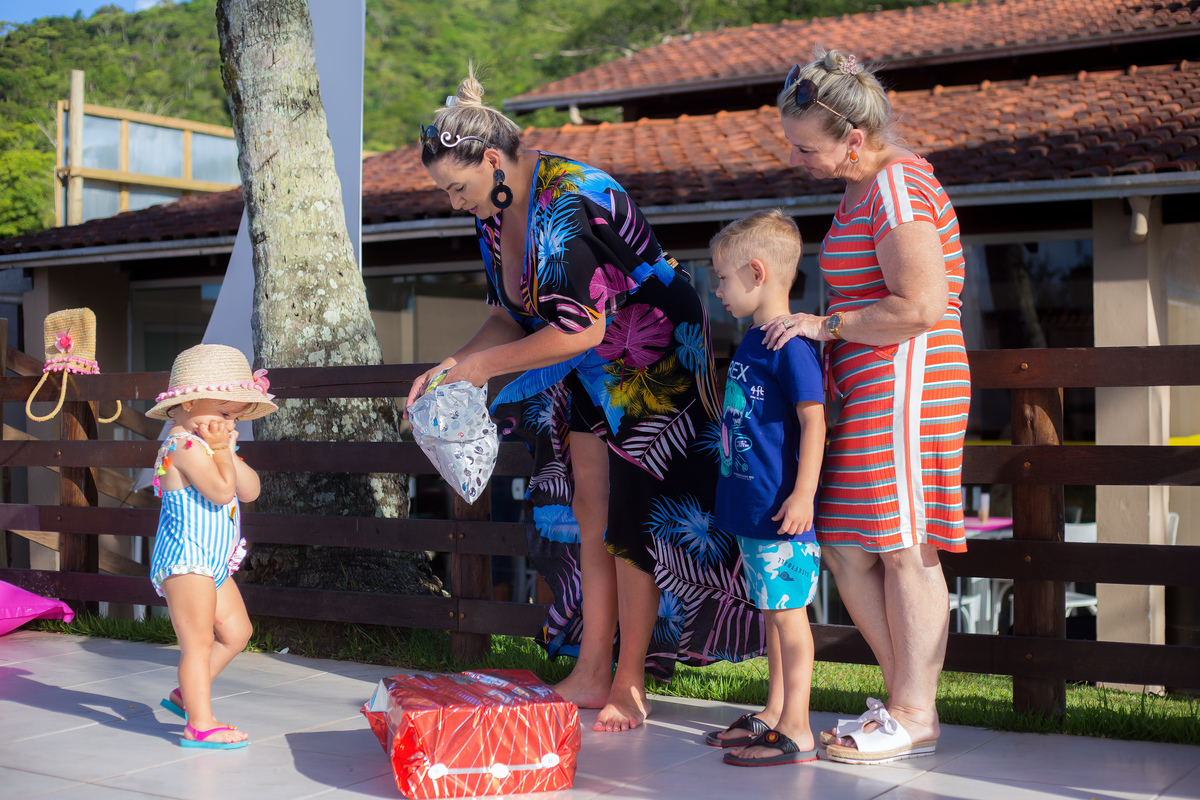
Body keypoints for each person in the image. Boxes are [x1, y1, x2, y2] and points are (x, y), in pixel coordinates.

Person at [405, 65, 763, 732]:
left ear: (490, 160)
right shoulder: (494, 208)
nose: (453, 202)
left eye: (456, 188)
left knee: (633, 518)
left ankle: (629, 682)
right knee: (590, 509)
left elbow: (581, 324)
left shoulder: (568, 198)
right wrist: (452, 365)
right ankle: (593, 667)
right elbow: (508, 314)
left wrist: (479, 369)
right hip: (589, 363)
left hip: (651, 351)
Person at [764, 48, 971, 765]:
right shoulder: (861, 188)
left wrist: (825, 327)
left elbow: (921, 305)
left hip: (908, 382)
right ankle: (908, 701)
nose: (796, 159)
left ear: (853, 139)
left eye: (805, 148)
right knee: (850, 548)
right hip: (868, 385)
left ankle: (913, 713)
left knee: (905, 548)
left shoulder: (897, 188)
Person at [702, 210, 825, 767]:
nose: (717, 289)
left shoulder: (788, 346)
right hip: (756, 512)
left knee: (789, 617)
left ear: (757, 273)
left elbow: (813, 420)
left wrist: (802, 496)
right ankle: (775, 712)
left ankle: (797, 728)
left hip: (782, 512)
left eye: (722, 277)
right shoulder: (755, 340)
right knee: (773, 614)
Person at [147, 344, 278, 750]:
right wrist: (222, 452)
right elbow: (223, 492)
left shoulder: (213, 447)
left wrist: (227, 452)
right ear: (185, 405)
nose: (228, 424)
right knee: (198, 643)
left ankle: (188, 695)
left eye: (234, 417)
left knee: (238, 632)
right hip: (187, 561)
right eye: (222, 414)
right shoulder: (183, 446)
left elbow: (251, 490)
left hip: (213, 562)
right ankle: (199, 724)